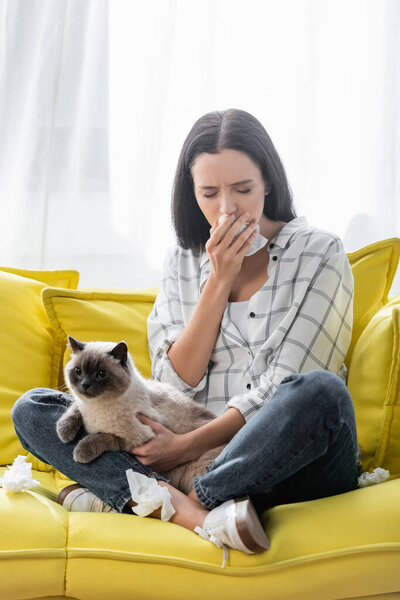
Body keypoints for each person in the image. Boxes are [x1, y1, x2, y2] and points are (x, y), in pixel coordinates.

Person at [11, 108, 360, 563]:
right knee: (36, 408)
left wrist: (184, 448)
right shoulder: (183, 262)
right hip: (174, 453)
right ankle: (194, 513)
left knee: (321, 393)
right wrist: (217, 282)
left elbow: (283, 386)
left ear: (269, 183)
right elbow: (171, 389)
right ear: (191, 194)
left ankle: (155, 498)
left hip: (278, 458)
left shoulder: (319, 252)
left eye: (243, 189)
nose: (227, 209)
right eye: (209, 193)